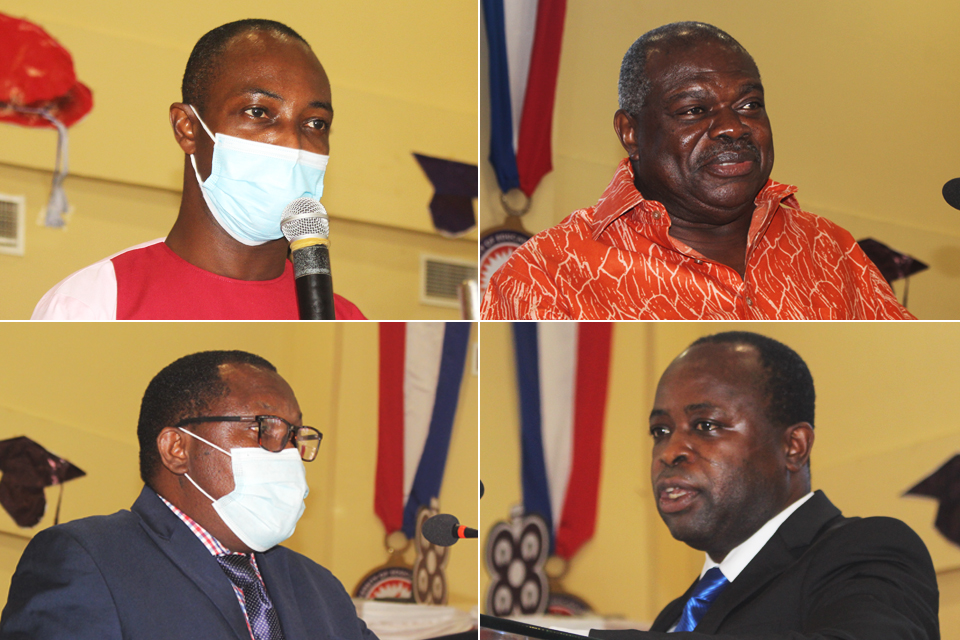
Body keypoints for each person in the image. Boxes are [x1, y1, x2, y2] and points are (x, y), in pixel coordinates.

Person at [481, 22, 912, 320]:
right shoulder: (547, 277)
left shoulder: (829, 250)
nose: (732, 127)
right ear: (630, 132)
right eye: (694, 110)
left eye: (748, 105)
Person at [0, 350, 377, 640]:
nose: (288, 453)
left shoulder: (319, 587)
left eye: (294, 436)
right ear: (177, 448)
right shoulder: (87, 559)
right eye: (265, 428)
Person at [589, 332, 938, 637]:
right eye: (660, 431)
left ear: (793, 446)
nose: (670, 452)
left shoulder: (867, 551)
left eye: (706, 425)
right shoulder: (674, 617)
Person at [32, 20, 365, 320]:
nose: (294, 145)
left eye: (316, 123)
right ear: (187, 128)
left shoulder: (343, 319)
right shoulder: (93, 303)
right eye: (258, 112)